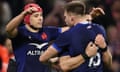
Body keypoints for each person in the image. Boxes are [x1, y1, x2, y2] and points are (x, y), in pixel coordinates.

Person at [6, 2, 105, 72]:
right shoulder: (20, 33)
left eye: (41, 15)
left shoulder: (47, 31)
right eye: (36, 16)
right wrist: (23, 14)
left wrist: (89, 17)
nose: (40, 18)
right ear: (27, 19)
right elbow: (8, 29)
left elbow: (73, 27)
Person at [40, 1, 112, 72]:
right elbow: (108, 64)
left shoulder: (68, 34)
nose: (65, 20)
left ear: (71, 18)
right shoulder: (100, 29)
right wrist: (105, 48)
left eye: (65, 17)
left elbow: (43, 58)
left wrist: (85, 55)